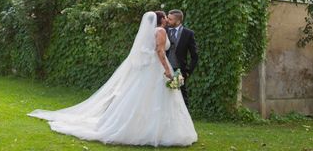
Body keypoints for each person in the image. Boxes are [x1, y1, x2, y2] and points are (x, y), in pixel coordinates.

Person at [28, 11, 198, 147]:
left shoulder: (151, 32)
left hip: (150, 70)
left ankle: (144, 127)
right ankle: (157, 130)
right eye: (166, 18)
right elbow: (160, 52)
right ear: (161, 20)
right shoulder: (160, 31)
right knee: (157, 99)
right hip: (157, 69)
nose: (167, 21)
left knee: (144, 98)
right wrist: (168, 70)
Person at [166, 9, 198, 108]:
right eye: (167, 18)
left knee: (181, 97)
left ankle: (184, 121)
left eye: (170, 19)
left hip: (179, 71)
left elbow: (195, 56)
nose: (167, 20)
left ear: (178, 21)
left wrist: (188, 72)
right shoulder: (163, 31)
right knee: (164, 95)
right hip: (163, 70)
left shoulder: (188, 34)